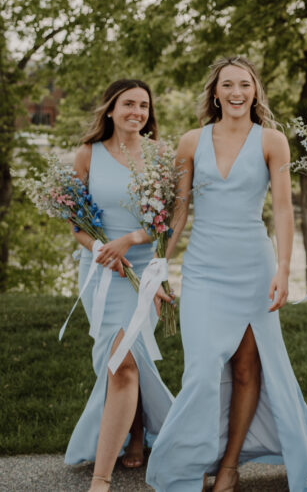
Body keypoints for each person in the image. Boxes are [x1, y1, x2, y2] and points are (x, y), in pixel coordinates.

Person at [146, 56, 307, 492]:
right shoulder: (190, 142)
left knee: (245, 369)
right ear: (216, 92)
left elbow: (282, 207)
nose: (237, 92)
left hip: (254, 267)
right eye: (228, 85)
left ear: (255, 91)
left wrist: (284, 268)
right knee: (201, 370)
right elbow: (179, 212)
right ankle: (188, 460)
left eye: (245, 84)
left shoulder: (272, 141)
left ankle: (229, 463)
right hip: (203, 269)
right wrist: (157, 267)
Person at [67, 79, 174, 492]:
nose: (137, 112)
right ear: (110, 109)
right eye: (128, 104)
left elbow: (168, 223)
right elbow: (76, 224)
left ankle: (102, 476)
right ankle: (135, 431)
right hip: (101, 273)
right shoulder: (86, 155)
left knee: (126, 363)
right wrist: (101, 250)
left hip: (143, 272)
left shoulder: (160, 156)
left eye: (144, 105)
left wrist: (131, 243)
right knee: (120, 364)